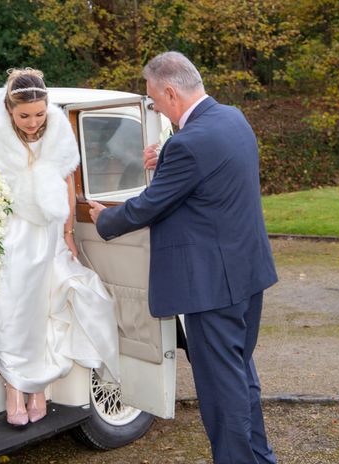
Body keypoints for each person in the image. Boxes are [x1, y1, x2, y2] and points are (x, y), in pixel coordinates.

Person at [88, 51, 278, 464]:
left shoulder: (189, 144)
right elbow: (206, 175)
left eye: (154, 99)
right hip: (246, 273)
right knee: (240, 374)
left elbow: (150, 206)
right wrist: (168, 154)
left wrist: (105, 219)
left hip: (211, 287)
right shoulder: (232, 118)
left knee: (219, 388)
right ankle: (259, 458)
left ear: (171, 91)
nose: (154, 106)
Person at [0, 68, 119, 427]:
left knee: (43, 306)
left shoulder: (57, 128)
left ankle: (37, 386)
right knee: (6, 308)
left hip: (46, 230)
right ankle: (14, 386)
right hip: (7, 232)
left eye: (39, 114)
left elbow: (66, 180)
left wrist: (67, 233)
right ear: (9, 108)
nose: (33, 123)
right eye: (24, 116)